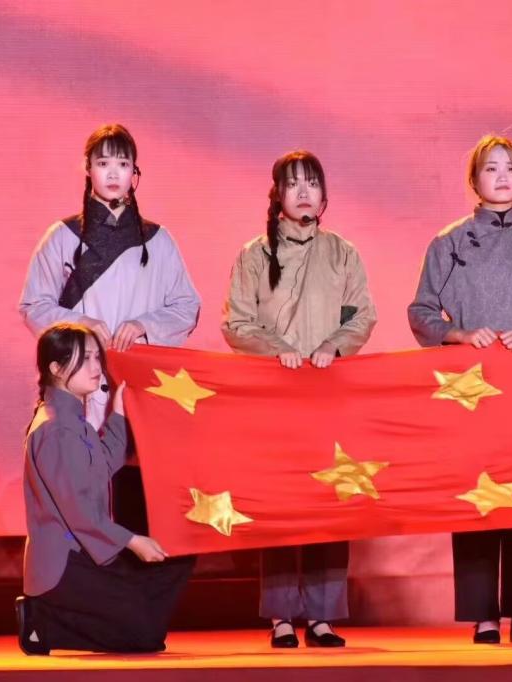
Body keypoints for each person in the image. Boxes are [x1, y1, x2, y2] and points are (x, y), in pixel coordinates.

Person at [407, 134, 512, 644]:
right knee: (476, 497)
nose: (502, 176)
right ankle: (483, 614)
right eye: (491, 168)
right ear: (474, 179)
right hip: (470, 388)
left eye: (511, 168)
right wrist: (459, 334)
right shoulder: (449, 242)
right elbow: (421, 311)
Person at [221, 150, 377, 648]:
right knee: (283, 504)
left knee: (331, 502)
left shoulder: (342, 253)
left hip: (330, 395)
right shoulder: (253, 255)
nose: (304, 191)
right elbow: (235, 322)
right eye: (293, 184)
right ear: (278, 195)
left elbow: (362, 315)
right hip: (275, 399)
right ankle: (282, 616)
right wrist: (277, 349)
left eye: (312, 183)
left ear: (325, 196)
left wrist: (335, 345)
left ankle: (324, 616)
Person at [19, 123, 201, 533]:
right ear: (88, 169)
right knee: (78, 501)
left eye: (123, 163)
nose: (114, 173)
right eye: (103, 163)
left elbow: (187, 306)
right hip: (78, 391)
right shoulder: (63, 237)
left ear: (135, 172)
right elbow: (33, 305)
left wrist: (144, 325)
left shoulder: (157, 240)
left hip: (136, 390)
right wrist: (81, 325)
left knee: (137, 502)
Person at [16, 323, 193, 654]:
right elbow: (79, 513)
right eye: (84, 359)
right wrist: (133, 541)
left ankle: (116, 615)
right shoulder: (57, 429)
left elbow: (104, 464)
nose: (96, 367)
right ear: (56, 369)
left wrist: (119, 412)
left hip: (87, 552)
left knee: (177, 560)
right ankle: (43, 620)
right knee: (145, 635)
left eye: (97, 357)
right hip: (65, 563)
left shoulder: (72, 418)